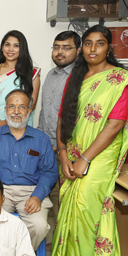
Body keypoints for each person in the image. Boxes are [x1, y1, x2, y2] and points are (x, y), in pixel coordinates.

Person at [44, 25, 128, 256]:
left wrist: (85, 159)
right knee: (68, 210)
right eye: (88, 43)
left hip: (100, 156)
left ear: (109, 48)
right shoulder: (76, 78)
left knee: (86, 209)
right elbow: (63, 118)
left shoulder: (120, 80)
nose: (92, 49)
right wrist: (63, 154)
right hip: (72, 153)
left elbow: (115, 125)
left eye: (99, 43)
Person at [0, 89, 57, 250]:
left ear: (29, 110)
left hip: (31, 192)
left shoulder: (41, 139)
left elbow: (49, 172)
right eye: (12, 106)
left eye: (22, 107)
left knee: (39, 225)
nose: (16, 111)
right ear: (5, 110)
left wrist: (37, 196)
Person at [37, 31, 81, 227]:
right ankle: (56, 242)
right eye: (56, 47)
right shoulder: (50, 75)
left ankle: (66, 242)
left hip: (69, 152)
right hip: (49, 150)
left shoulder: (81, 77)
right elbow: (44, 111)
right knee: (53, 197)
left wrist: (60, 145)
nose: (60, 52)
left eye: (66, 48)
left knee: (67, 201)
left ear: (78, 50)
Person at [0, 30, 40, 132]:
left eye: (16, 45)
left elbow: (31, 104)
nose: (10, 49)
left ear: (22, 49)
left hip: (22, 125)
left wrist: (6, 122)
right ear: (2, 47)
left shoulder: (32, 73)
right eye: (7, 45)